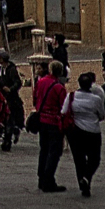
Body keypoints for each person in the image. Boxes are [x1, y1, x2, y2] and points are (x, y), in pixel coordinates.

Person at [34, 59, 71, 193]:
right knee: (54, 152)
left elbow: (35, 99)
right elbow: (64, 107)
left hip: (42, 121)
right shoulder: (59, 87)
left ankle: (41, 178)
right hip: (54, 123)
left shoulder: (40, 82)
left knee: (43, 150)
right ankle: (48, 180)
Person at [68, 69, 105, 197]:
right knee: (94, 158)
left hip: (75, 131)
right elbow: (101, 115)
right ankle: (87, 177)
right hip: (93, 131)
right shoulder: (96, 99)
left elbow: (64, 112)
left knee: (79, 159)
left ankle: (83, 183)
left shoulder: (71, 96)